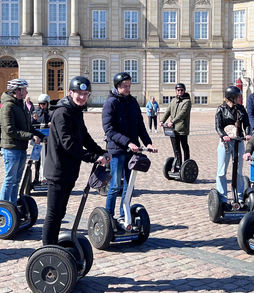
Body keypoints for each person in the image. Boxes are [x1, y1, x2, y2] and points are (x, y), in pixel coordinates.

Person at [42, 76, 109, 245]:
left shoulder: (76, 111)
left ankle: (53, 246)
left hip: (69, 170)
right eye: (79, 93)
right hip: (57, 171)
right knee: (53, 213)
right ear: (71, 92)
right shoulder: (62, 113)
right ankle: (48, 249)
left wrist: (101, 151)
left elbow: (84, 137)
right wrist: (94, 158)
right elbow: (69, 144)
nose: (83, 97)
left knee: (60, 212)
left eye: (86, 94)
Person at [102, 72, 156, 218]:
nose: (128, 88)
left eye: (129, 85)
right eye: (125, 86)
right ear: (118, 86)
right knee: (115, 186)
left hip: (132, 151)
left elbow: (140, 125)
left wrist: (148, 143)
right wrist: (128, 142)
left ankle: (123, 215)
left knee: (129, 185)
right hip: (117, 151)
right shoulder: (110, 103)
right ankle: (108, 216)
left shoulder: (132, 102)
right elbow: (109, 130)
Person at [0, 79, 45, 205]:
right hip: (11, 149)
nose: (27, 91)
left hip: (21, 148)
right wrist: (30, 136)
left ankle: (13, 206)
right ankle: (3, 206)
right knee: (10, 179)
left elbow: (28, 127)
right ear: (18, 91)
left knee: (17, 180)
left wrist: (43, 136)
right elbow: (10, 129)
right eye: (24, 89)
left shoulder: (22, 105)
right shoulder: (8, 106)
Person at [215, 86, 251, 200]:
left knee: (239, 171)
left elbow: (247, 123)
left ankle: (239, 197)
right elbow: (218, 126)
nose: (240, 99)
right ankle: (222, 197)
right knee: (222, 171)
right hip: (225, 143)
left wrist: (248, 133)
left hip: (238, 141)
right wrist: (223, 135)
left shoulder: (241, 109)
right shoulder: (221, 109)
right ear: (232, 98)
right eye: (238, 97)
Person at [160, 83, 192, 172]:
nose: (180, 92)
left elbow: (182, 114)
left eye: (181, 90)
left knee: (184, 146)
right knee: (176, 148)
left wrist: (172, 121)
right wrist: (162, 120)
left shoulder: (187, 101)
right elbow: (168, 110)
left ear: (184, 90)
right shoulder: (173, 100)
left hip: (182, 128)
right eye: (178, 90)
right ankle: (178, 164)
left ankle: (186, 164)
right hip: (173, 129)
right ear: (176, 91)